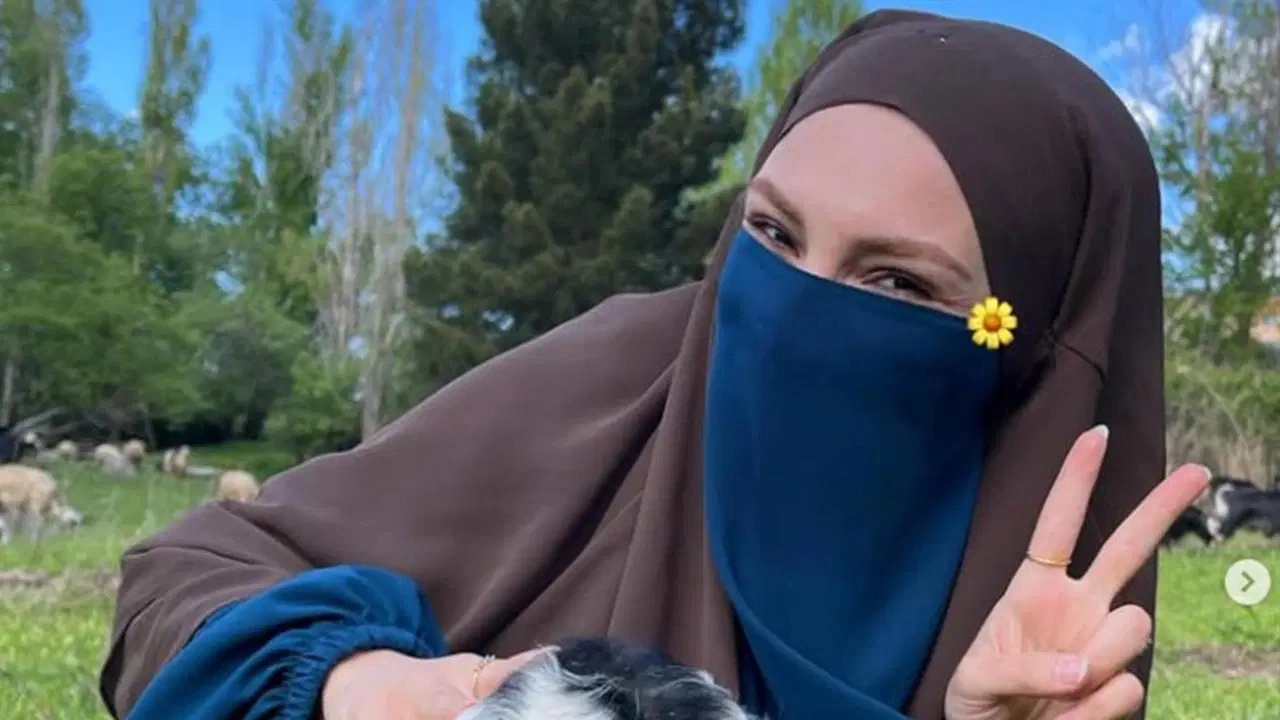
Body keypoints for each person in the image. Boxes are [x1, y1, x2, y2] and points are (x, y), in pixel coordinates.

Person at [99, 9, 1207, 720]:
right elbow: (186, 576)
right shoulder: (637, 372)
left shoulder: (1045, 620)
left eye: (901, 284)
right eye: (771, 234)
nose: (795, 309)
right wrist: (363, 685)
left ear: (1032, 346)